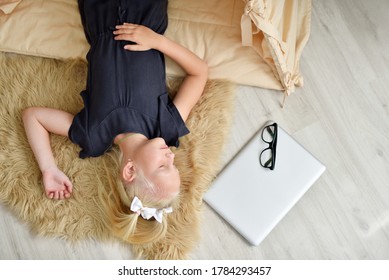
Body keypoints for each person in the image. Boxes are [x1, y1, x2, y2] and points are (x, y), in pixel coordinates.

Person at [22, 0, 207, 243]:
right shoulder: (166, 126)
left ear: (130, 170)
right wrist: (157, 42)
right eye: (174, 166)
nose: (172, 157)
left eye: (164, 166)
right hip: (147, 10)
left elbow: (33, 117)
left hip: (100, 11)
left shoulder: (92, 135)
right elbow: (200, 72)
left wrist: (48, 168)